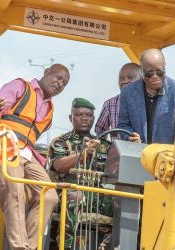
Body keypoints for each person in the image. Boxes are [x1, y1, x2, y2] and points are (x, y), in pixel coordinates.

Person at [0, 64, 70, 250]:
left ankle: (30, 246)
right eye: (58, 77)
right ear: (46, 72)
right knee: (15, 189)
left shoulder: (50, 109)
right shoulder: (20, 87)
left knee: (50, 196)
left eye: (64, 83)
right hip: (3, 148)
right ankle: (19, 246)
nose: (60, 84)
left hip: (28, 155)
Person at [48, 98, 112, 249]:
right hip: (69, 192)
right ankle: (66, 245)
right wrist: (82, 154)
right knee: (75, 196)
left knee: (126, 201)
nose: (84, 118)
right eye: (79, 115)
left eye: (89, 115)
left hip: (98, 195)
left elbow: (119, 167)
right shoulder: (61, 142)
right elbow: (58, 166)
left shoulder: (104, 145)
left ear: (94, 119)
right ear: (71, 118)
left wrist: (134, 145)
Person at [117, 48, 175, 144]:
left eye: (160, 71)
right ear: (141, 70)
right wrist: (130, 136)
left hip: (166, 157)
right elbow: (123, 125)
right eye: (149, 73)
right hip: (138, 155)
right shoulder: (127, 93)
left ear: (165, 66)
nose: (155, 76)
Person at [94, 63, 142, 135]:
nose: (125, 81)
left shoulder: (148, 101)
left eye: (130, 77)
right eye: (121, 78)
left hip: (145, 146)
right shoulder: (110, 104)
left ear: (141, 79)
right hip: (119, 146)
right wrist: (107, 145)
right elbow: (100, 130)